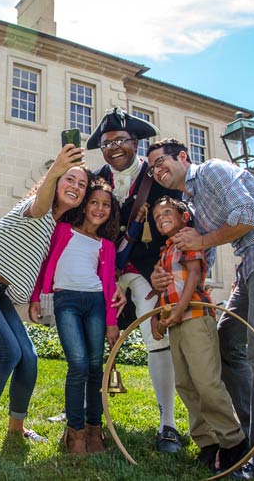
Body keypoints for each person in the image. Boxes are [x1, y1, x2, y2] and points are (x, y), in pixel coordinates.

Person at [146, 139, 254, 479]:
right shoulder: (190, 203)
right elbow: (198, 258)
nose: (157, 170)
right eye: (152, 168)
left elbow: (247, 216)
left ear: (183, 157)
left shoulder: (213, 171)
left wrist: (203, 241)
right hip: (251, 265)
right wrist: (163, 277)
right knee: (226, 345)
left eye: (161, 161)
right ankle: (249, 441)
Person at [0, 144, 90, 458]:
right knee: (7, 353)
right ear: (56, 181)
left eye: (82, 185)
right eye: (70, 180)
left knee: (29, 357)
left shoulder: (55, 226)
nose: (76, 188)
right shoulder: (33, 208)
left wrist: (36, 300)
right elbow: (40, 204)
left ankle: (16, 427)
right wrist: (57, 167)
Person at [86, 107, 184, 453]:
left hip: (148, 271)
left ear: (135, 142)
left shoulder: (157, 177)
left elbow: (178, 224)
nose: (113, 147)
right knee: (88, 339)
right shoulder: (94, 179)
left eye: (121, 140)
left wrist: (166, 271)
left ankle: (168, 424)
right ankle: (83, 414)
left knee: (155, 335)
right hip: (104, 273)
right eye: (106, 142)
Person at [29, 177, 142, 455]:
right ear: (84, 204)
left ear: (110, 212)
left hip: (95, 303)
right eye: (94, 202)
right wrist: (34, 298)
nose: (99, 208)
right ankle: (75, 433)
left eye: (105, 205)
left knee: (95, 367)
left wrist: (112, 322)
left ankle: (94, 429)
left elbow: (106, 286)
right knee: (77, 363)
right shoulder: (63, 230)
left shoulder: (106, 246)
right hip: (66, 301)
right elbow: (44, 262)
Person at [149, 196, 247, 472]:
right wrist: (159, 316)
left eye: (167, 212)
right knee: (186, 383)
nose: (161, 218)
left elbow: (193, 277)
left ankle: (233, 442)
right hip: (177, 323)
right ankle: (207, 442)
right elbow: (164, 290)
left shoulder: (189, 240)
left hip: (194, 319)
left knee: (206, 382)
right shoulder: (165, 252)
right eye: (157, 216)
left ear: (184, 217)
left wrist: (179, 311)